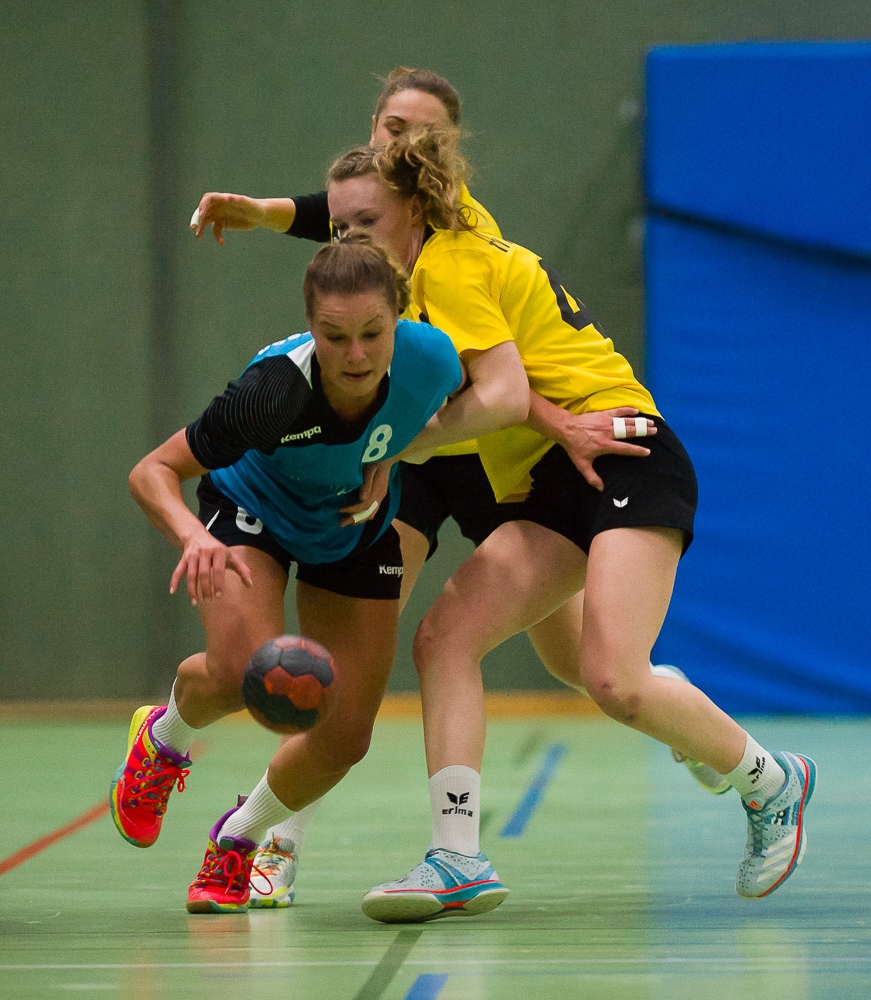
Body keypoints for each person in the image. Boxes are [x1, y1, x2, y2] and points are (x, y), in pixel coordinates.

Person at [189, 67, 725, 909]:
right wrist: (264, 212)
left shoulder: (460, 238)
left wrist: (557, 422)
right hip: (407, 456)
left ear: (436, 158)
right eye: (389, 123)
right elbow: (341, 214)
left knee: (572, 658)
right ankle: (277, 836)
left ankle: (673, 709)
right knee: (360, 652)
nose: (397, 139)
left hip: (478, 449)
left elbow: (502, 373)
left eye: (418, 130)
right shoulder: (366, 218)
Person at [317, 127, 816, 922]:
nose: (350, 240)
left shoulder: (447, 265)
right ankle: (456, 856)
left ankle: (771, 781)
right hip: (551, 476)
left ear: (412, 210)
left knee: (614, 679)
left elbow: (503, 396)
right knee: (448, 641)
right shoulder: (406, 290)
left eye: (365, 222)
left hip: (622, 452)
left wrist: (397, 445)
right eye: (338, 227)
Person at [109, 234, 529, 913]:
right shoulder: (271, 392)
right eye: (335, 338)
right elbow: (150, 471)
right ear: (311, 328)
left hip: (350, 523)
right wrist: (192, 535)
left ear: (398, 320)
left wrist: (388, 453)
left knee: (342, 737)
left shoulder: (432, 359)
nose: (356, 355)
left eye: (372, 334)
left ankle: (238, 838)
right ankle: (163, 737)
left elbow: (457, 407)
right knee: (244, 674)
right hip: (252, 510)